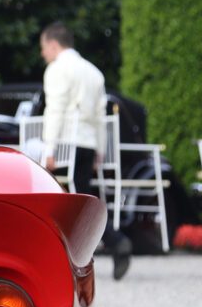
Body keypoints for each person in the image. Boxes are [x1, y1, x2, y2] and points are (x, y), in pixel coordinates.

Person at [39, 22, 132, 280]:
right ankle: (106, 245)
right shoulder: (94, 72)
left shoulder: (58, 69)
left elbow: (55, 109)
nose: (43, 53)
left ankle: (98, 247)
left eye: (44, 47)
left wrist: (50, 147)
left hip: (67, 144)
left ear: (54, 45)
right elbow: (101, 117)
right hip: (88, 143)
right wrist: (100, 150)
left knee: (61, 203)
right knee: (81, 200)